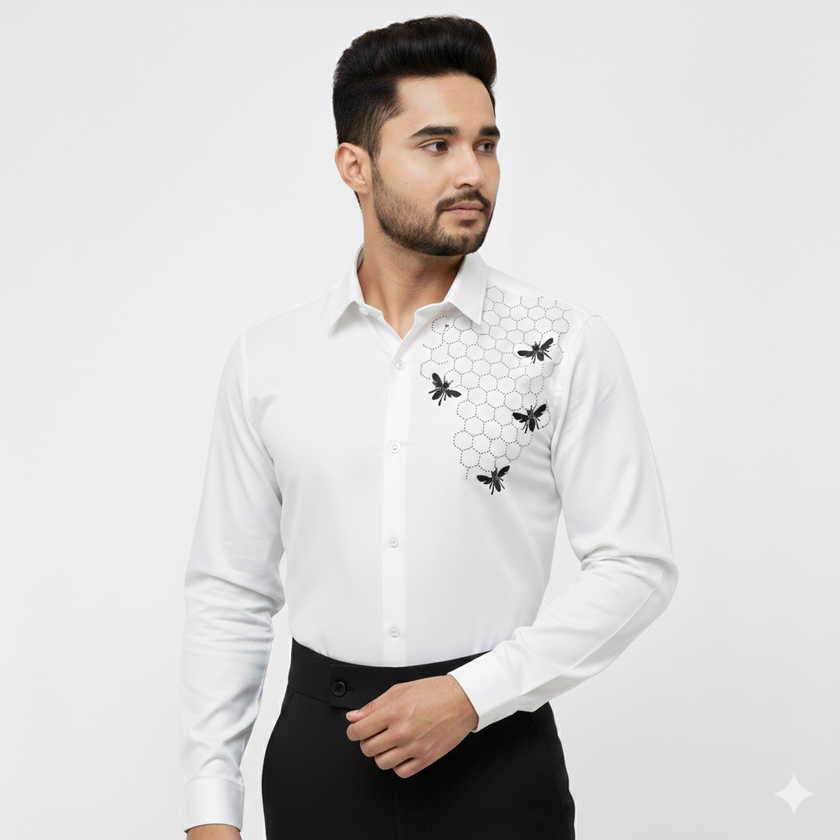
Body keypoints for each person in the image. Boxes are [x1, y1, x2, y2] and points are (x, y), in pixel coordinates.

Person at [179, 15, 677, 840]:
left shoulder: (562, 343)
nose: (472, 172)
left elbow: (637, 566)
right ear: (355, 166)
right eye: (436, 145)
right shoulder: (269, 357)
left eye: (486, 144)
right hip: (319, 761)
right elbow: (230, 589)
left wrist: (472, 695)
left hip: (497, 756)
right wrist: (209, 807)